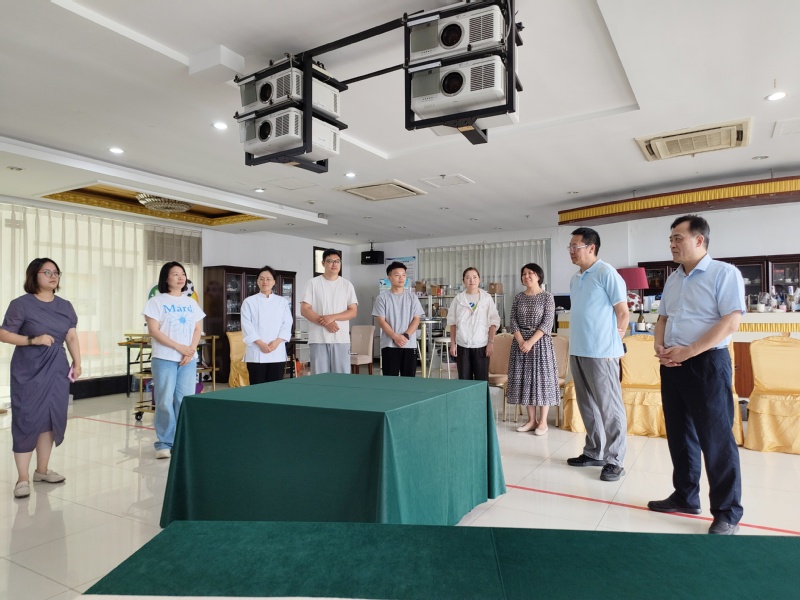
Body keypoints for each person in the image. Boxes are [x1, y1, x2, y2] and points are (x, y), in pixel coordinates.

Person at [649, 215, 745, 535]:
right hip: (672, 364)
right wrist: (659, 345)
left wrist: (689, 351)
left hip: (707, 364)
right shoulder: (674, 278)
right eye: (670, 239)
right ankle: (686, 496)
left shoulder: (724, 273)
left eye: (678, 238)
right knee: (680, 434)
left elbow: (730, 322)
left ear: (699, 240)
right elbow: (663, 318)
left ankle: (727, 512)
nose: (672, 244)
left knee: (716, 439)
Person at [0, 258, 82, 498]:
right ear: (34, 275)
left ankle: (42, 471)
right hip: (29, 369)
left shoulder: (65, 306)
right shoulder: (21, 305)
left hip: (57, 368)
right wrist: (33, 340)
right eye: (47, 272)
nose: (53, 276)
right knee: (26, 419)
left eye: (56, 272)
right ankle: (22, 478)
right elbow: (4, 334)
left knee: (50, 418)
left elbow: (71, 337)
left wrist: (78, 363)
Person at [567, 227, 629, 482]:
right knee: (587, 405)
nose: (571, 251)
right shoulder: (575, 278)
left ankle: (615, 460)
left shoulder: (606, 273)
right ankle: (594, 452)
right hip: (578, 349)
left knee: (609, 407)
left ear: (591, 247)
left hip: (602, 352)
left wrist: (614, 343)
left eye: (576, 246)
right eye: (570, 247)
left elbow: (622, 312)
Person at [143, 261, 205, 459]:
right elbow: (154, 331)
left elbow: (198, 328)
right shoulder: (156, 302)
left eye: (183, 274)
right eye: (175, 274)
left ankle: (181, 440)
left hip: (188, 359)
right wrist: (180, 348)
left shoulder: (191, 302)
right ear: (166, 278)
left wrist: (190, 351)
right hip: (165, 358)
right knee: (164, 400)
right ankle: (164, 442)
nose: (180, 277)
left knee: (184, 399)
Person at [507, 263, 560, 435]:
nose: (527, 276)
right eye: (524, 274)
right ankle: (531, 420)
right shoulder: (518, 297)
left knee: (542, 381)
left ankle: (543, 422)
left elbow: (547, 323)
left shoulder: (547, 297)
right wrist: (522, 341)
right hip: (521, 344)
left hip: (540, 343)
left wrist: (530, 342)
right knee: (526, 381)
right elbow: (513, 320)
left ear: (539, 276)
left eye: (531, 273)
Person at [300, 249, 358, 374]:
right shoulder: (312, 283)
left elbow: (353, 312)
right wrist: (326, 323)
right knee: (319, 378)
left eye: (337, 261)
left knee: (342, 378)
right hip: (318, 339)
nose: (334, 264)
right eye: (330, 261)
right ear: (323, 263)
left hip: (341, 339)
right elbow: (304, 310)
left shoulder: (347, 285)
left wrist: (332, 317)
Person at [241, 265, 293, 384]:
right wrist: (261, 344)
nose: (265, 282)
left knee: (275, 388)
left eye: (268, 279)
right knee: (257, 387)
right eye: (262, 279)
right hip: (256, 351)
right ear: (257, 281)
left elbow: (287, 323)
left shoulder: (282, 302)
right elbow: (246, 325)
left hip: (276, 351)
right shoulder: (249, 302)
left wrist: (277, 342)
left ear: (274, 282)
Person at [372, 261, 425, 377]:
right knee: (390, 379)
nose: (401, 278)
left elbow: (416, 319)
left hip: (409, 344)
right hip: (389, 345)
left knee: (409, 379)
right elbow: (381, 321)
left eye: (403, 275)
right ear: (389, 277)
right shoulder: (382, 298)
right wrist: (395, 337)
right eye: (397, 275)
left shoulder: (412, 297)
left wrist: (405, 336)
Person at [448, 267, 501, 381]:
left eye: (474, 277)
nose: (471, 280)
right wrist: (453, 343)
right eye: (468, 278)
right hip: (462, 345)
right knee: (464, 380)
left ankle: (481, 395)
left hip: (481, 345)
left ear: (479, 279)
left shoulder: (486, 298)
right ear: (463, 281)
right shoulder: (458, 299)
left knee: (481, 380)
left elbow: (494, 322)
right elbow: (452, 323)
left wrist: (490, 343)